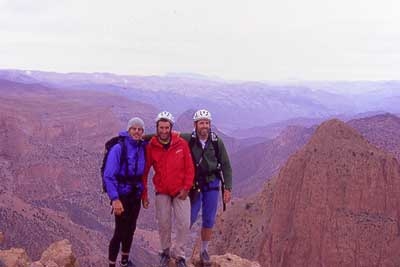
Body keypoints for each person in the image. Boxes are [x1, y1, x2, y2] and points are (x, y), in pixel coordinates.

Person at [180, 109, 232, 266]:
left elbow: (226, 165)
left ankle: (204, 250)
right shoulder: (189, 139)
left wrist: (228, 188)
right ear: (195, 125)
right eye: (201, 123)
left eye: (207, 123)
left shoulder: (216, 142)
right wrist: (141, 137)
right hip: (195, 185)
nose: (205, 126)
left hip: (212, 184)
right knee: (189, 217)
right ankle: (179, 250)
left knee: (209, 219)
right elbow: (168, 135)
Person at [142, 111, 194, 267]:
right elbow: (144, 172)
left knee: (184, 223)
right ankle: (165, 251)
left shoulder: (181, 144)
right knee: (164, 223)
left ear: (171, 128)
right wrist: (144, 195)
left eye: (167, 127)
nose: (164, 131)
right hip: (162, 190)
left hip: (181, 191)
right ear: (157, 128)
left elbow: (190, 168)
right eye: (161, 128)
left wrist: (186, 188)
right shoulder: (152, 146)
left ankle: (180, 255)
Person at [103, 117, 147, 267]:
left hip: (135, 195)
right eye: (133, 128)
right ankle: (111, 264)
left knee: (131, 229)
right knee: (120, 232)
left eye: (140, 129)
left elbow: (158, 138)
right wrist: (115, 199)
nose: (136, 131)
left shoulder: (142, 146)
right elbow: (108, 176)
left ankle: (124, 261)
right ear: (128, 130)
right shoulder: (118, 148)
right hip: (121, 196)